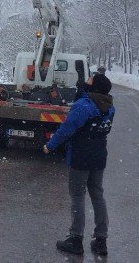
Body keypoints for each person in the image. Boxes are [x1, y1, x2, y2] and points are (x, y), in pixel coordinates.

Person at [43, 71, 115, 256]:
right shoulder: (109, 106)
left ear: (95, 86)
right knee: (97, 195)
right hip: (99, 156)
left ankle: (76, 239)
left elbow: (67, 129)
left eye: (90, 79)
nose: (86, 80)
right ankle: (101, 240)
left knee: (77, 196)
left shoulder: (83, 106)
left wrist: (50, 146)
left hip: (81, 156)